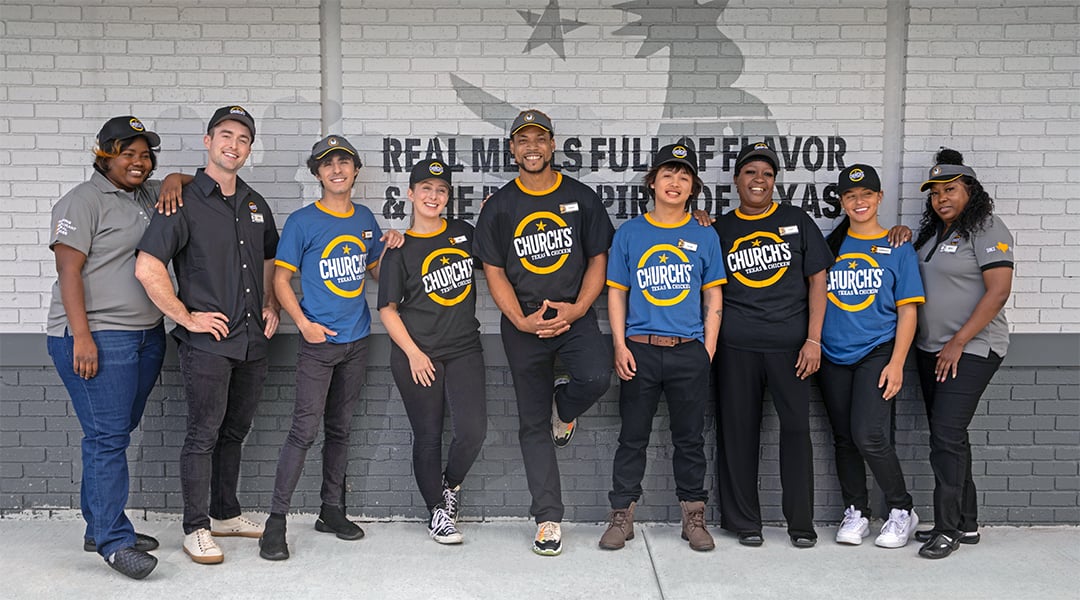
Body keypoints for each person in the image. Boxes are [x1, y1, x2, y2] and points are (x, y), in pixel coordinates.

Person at [135, 105, 280, 565]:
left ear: (249, 149)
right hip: (207, 345)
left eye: (242, 139)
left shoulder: (256, 203)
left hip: (253, 341)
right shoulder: (181, 199)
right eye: (225, 135)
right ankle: (196, 527)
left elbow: (269, 258)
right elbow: (148, 266)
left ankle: (224, 513)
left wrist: (271, 304)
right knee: (203, 434)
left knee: (235, 431)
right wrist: (187, 316)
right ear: (208, 140)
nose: (233, 145)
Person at [46, 116, 187, 579]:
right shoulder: (83, 201)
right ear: (103, 153)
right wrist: (81, 336)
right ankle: (112, 541)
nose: (138, 162)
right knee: (107, 438)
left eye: (146, 155)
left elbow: (195, 179)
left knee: (113, 434)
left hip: (147, 335)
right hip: (99, 337)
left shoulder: (145, 195)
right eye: (127, 153)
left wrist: (170, 178)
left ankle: (99, 524)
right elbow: (69, 272)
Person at [473, 109, 615, 556]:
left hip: (574, 316)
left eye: (540, 138)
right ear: (512, 149)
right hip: (523, 323)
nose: (532, 147)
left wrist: (577, 310)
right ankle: (549, 518)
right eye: (523, 140)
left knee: (595, 378)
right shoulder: (499, 206)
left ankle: (565, 407)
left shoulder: (581, 198)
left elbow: (598, 260)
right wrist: (518, 319)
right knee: (531, 424)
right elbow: (493, 271)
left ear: (553, 146)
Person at [256, 135, 402, 560]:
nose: (337, 169)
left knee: (340, 430)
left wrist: (392, 246)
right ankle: (275, 524)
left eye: (344, 162)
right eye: (328, 164)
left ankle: (331, 510)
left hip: (357, 341)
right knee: (303, 431)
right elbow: (281, 281)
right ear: (317, 173)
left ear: (355, 170)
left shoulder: (364, 218)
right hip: (318, 344)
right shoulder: (303, 222)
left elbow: (375, 273)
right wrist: (303, 324)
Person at [600, 143, 725, 552]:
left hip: (688, 351)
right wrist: (620, 345)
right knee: (632, 438)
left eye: (684, 177)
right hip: (640, 349)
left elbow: (714, 300)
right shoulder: (630, 233)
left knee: (689, 439)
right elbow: (616, 294)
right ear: (652, 182)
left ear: (693, 189)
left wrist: (705, 352)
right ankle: (622, 517)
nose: (675, 183)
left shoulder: (704, 234)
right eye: (668, 175)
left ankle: (693, 518)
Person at [711, 141, 832, 548]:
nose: (758, 180)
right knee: (738, 433)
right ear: (736, 180)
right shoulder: (721, 229)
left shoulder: (797, 221)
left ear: (774, 182)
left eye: (766, 174)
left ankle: (801, 524)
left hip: (792, 348)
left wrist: (814, 339)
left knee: (797, 431)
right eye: (750, 173)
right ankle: (745, 522)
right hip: (736, 349)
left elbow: (820, 282)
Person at [908, 149, 1013, 559]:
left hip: (971, 350)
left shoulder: (986, 227)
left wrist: (957, 342)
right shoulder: (935, 234)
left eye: (950, 189)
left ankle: (947, 529)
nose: (941, 198)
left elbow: (998, 291)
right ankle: (966, 523)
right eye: (934, 193)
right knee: (952, 438)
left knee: (945, 438)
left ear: (971, 190)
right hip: (931, 350)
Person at [378, 159, 487, 545]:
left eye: (440, 190)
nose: (433, 196)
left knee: (472, 431)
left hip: (463, 348)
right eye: (425, 188)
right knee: (427, 436)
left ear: (448, 197)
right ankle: (437, 513)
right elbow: (387, 309)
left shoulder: (463, 233)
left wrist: (495, 217)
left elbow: (498, 258)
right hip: (417, 352)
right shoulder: (398, 247)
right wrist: (413, 353)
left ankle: (450, 488)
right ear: (410, 194)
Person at [820, 164, 925, 548]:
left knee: (869, 434)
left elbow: (908, 310)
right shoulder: (830, 245)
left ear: (879, 198)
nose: (859, 202)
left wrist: (897, 362)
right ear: (842, 202)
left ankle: (901, 509)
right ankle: (856, 512)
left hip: (876, 351)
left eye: (866, 195)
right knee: (845, 438)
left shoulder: (898, 247)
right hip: (833, 354)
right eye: (851, 196)